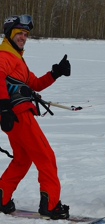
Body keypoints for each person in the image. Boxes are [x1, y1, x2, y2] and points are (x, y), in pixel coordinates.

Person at [0, 14, 71, 220]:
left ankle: (2, 198)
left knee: (23, 159)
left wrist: (55, 73)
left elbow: (35, 84)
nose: (23, 37)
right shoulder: (5, 56)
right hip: (18, 114)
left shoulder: (17, 60)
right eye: (19, 33)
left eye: (25, 34)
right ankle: (51, 206)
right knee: (46, 157)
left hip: (13, 117)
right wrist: (4, 107)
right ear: (9, 35)